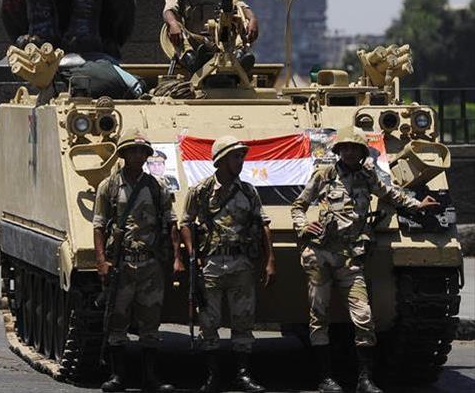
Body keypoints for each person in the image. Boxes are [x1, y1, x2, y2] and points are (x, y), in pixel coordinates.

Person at [291, 126, 440, 393]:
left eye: (354, 148)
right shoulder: (325, 174)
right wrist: (303, 225)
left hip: (350, 258)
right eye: (345, 148)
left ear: (362, 152)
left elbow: (390, 193)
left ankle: (364, 379)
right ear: (338, 151)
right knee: (319, 316)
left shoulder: (367, 176)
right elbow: (299, 205)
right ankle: (325, 378)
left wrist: (417, 204)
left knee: (363, 317)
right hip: (321, 255)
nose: (349, 152)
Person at [176, 135, 275, 393]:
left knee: (243, 320)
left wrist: (270, 260)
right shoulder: (201, 191)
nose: (240, 161)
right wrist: (191, 255)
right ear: (220, 160)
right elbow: (185, 222)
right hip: (210, 263)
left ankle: (242, 374)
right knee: (209, 322)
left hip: (241, 263)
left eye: (242, 157)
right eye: (235, 157)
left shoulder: (248, 191)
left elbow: (263, 224)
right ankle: (213, 376)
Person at [93, 128, 176, 393]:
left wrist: (175, 256)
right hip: (122, 263)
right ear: (124, 154)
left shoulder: (157, 186)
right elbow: (99, 225)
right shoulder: (109, 186)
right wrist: (101, 260)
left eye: (142, 151)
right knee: (117, 321)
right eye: (133, 151)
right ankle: (118, 376)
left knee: (150, 323)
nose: (138, 155)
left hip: (150, 263)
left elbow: (171, 221)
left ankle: (150, 377)